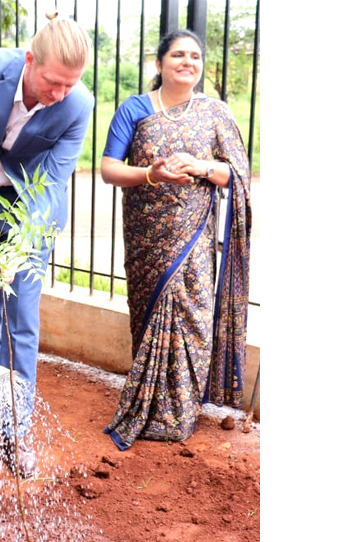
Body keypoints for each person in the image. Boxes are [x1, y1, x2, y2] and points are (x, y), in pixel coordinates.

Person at [0, 16, 94, 477]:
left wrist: (21, 244)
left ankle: (17, 428)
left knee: (21, 321)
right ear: (31, 62)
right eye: (53, 82)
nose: (60, 95)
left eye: (70, 85)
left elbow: (52, 179)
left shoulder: (78, 105)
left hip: (30, 205)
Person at [99, 29, 251, 451]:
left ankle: (181, 411)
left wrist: (202, 166)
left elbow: (234, 174)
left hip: (195, 238)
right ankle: (148, 405)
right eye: (179, 55)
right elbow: (109, 168)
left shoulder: (215, 113)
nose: (188, 61)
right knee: (149, 314)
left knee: (193, 318)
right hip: (147, 236)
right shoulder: (134, 109)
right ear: (160, 63)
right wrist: (152, 173)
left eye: (195, 56)